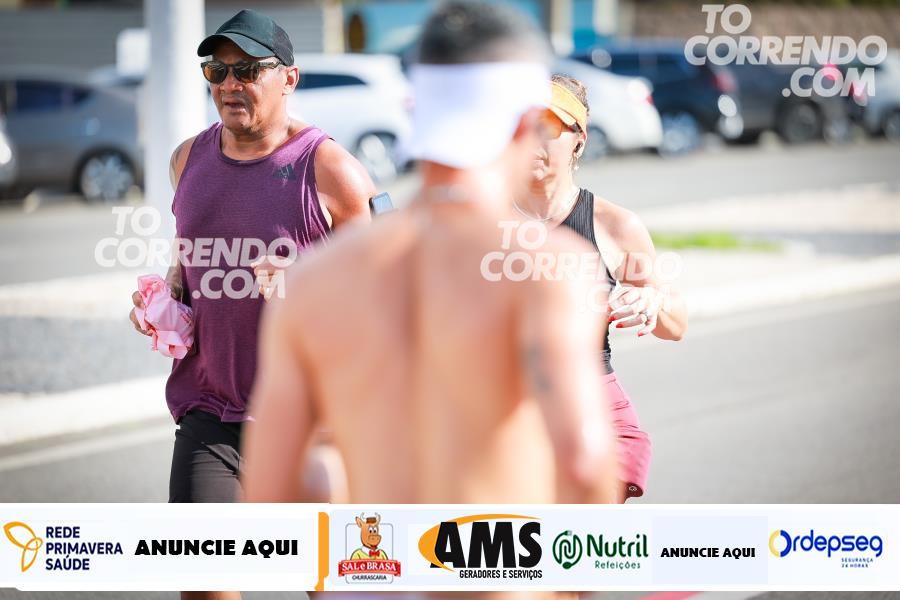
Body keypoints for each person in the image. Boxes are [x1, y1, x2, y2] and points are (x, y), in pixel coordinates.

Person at [243, 0, 619, 523]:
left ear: (414, 111)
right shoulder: (548, 269)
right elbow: (584, 462)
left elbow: (271, 488)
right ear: (526, 125)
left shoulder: (313, 281)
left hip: (375, 561)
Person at [128, 9, 373, 599]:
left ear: (289, 78)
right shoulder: (187, 160)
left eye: (247, 70)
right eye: (216, 70)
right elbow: (187, 258)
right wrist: (164, 302)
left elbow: (379, 303)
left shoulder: (331, 171)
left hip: (313, 420)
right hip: (211, 410)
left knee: (334, 587)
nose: (229, 84)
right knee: (203, 583)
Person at [515, 74, 689, 502]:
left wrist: (652, 298)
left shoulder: (614, 226)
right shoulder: (480, 221)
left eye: (549, 127)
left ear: (579, 140)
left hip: (592, 411)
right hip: (505, 415)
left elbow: (676, 326)